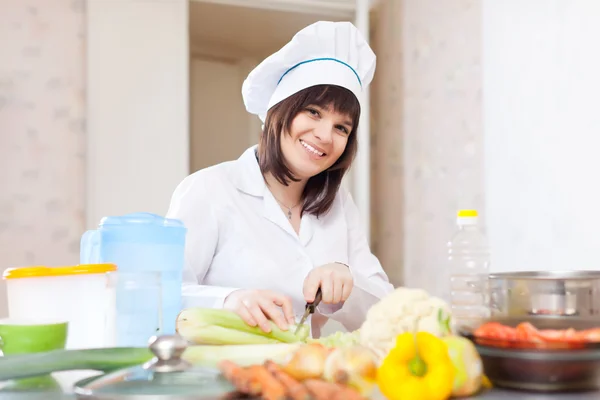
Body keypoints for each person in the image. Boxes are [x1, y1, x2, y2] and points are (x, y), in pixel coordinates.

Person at [166, 21, 394, 338]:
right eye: (314, 112)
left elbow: (387, 311)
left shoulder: (338, 203)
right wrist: (228, 300)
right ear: (279, 111)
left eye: (342, 127)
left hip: (304, 376)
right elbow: (159, 297)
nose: (325, 136)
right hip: (219, 376)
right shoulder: (209, 189)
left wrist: (347, 280)